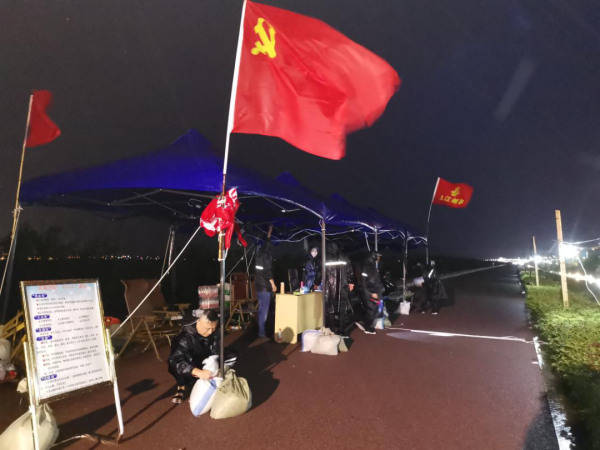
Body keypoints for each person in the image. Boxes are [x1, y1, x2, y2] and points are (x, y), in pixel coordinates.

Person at [168, 309, 220, 404]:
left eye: (213, 328)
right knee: (178, 366)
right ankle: (181, 386)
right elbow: (175, 360)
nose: (210, 332)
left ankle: (213, 381)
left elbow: (216, 349)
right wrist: (196, 371)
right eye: (207, 328)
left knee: (231, 355)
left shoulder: (215, 331)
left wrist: (216, 363)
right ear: (198, 322)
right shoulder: (183, 337)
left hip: (204, 359)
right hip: (190, 363)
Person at [324, 241, 354, 335]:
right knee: (342, 310)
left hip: (329, 289)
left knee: (331, 309)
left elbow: (321, 272)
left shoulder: (326, 258)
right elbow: (350, 271)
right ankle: (341, 331)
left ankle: (332, 330)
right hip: (343, 287)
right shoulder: (344, 257)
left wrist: (316, 283)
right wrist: (351, 282)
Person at [255, 225, 276, 338]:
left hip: (259, 286)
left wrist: (269, 231)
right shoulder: (267, 256)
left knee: (261, 310)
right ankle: (262, 332)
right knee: (264, 311)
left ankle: (262, 331)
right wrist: (273, 285)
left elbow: (267, 240)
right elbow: (267, 271)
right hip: (265, 287)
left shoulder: (259, 253)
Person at [358, 251, 384, 334]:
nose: (379, 258)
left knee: (374, 310)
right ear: (374, 256)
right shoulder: (367, 266)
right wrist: (371, 293)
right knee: (372, 310)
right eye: (378, 256)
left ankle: (365, 324)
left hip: (373, 291)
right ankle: (367, 327)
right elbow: (364, 282)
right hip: (369, 292)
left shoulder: (372, 265)